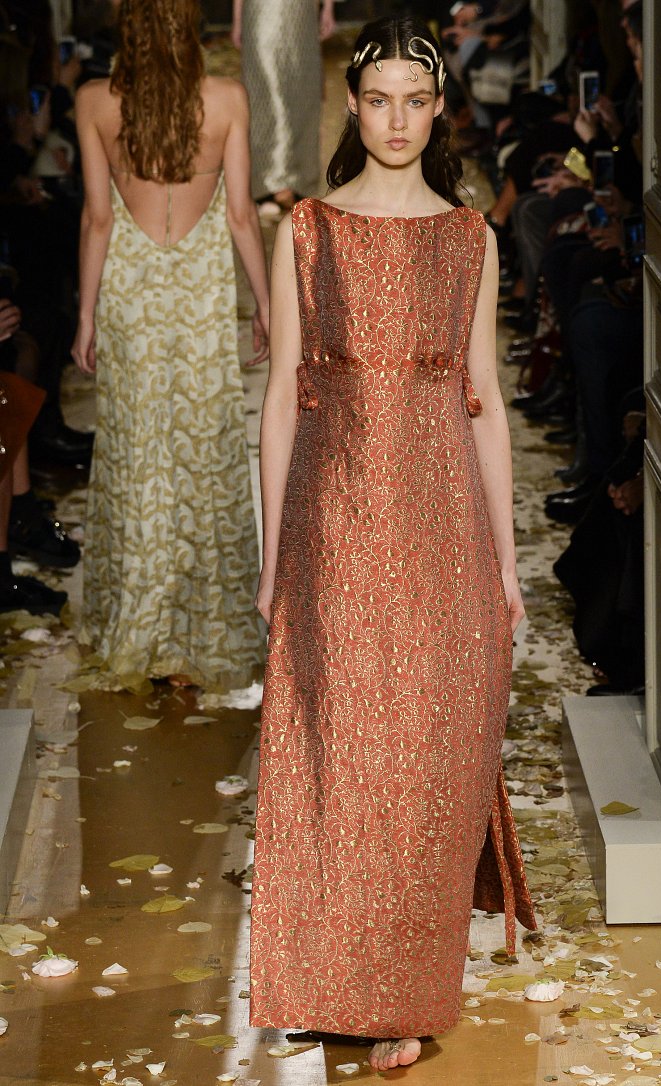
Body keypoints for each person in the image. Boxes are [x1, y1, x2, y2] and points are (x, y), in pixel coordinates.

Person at [249, 16, 535, 1071]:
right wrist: (273, 557)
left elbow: (486, 405)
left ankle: (405, 995)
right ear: (353, 106)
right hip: (330, 527)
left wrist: (505, 560)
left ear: (440, 108)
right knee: (341, 753)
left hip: (442, 524)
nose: (397, 120)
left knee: (427, 759)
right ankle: (340, 980)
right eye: (379, 100)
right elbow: (280, 400)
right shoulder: (308, 231)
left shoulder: (469, 239)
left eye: (416, 100)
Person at [71, 0, 269, 693]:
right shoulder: (226, 98)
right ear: (190, 24)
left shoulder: (94, 101)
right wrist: (266, 305)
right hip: (199, 293)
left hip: (130, 290)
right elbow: (240, 214)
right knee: (204, 446)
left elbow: (99, 218)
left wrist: (86, 315)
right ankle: (201, 632)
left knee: (137, 451)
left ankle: (139, 623)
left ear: (127, 24)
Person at [231, 0, 335, 214]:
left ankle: (298, 181)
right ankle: (267, 184)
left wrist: (328, 7)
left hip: (301, 10)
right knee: (263, 87)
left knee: (301, 85)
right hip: (259, 8)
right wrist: (238, 17)